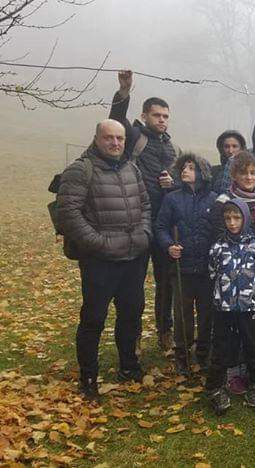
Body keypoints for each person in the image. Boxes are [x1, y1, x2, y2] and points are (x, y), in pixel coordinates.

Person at [56, 119, 151, 400]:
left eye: (120, 138)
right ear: (97, 139)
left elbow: (145, 204)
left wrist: (144, 234)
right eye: (109, 137)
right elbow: (68, 214)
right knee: (94, 319)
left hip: (133, 258)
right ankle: (88, 377)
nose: (115, 143)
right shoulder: (80, 170)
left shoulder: (131, 168)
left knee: (131, 315)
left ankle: (129, 366)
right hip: (99, 261)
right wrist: (99, 243)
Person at [110, 70, 179, 352]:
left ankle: (165, 332)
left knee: (166, 284)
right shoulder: (135, 136)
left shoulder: (172, 147)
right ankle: (134, 335)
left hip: (164, 225)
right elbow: (116, 120)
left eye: (165, 116)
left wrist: (173, 183)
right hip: (137, 222)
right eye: (156, 115)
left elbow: (181, 184)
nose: (161, 120)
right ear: (145, 115)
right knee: (133, 284)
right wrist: (123, 92)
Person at [154, 153, 218, 376]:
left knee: (206, 312)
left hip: (207, 268)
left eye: (191, 167)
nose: (185, 171)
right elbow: (160, 227)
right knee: (182, 313)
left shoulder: (214, 199)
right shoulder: (172, 199)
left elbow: (219, 230)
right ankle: (182, 354)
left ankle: (204, 352)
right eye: (183, 167)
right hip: (182, 267)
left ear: (201, 172)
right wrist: (169, 245)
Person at [206, 199, 255, 414]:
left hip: (249, 306)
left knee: (251, 346)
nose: (232, 223)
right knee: (221, 347)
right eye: (228, 218)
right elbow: (213, 273)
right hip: (223, 307)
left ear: (245, 218)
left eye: (236, 218)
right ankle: (215, 387)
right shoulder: (218, 247)